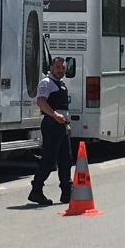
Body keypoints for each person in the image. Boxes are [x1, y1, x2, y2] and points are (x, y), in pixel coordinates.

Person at [28, 57, 73, 205]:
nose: (61, 70)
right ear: (51, 67)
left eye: (63, 68)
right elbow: (41, 102)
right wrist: (54, 115)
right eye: (58, 67)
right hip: (51, 125)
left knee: (66, 159)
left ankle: (67, 192)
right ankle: (36, 190)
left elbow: (62, 107)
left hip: (60, 126)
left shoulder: (60, 84)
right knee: (49, 160)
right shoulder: (46, 83)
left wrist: (66, 124)